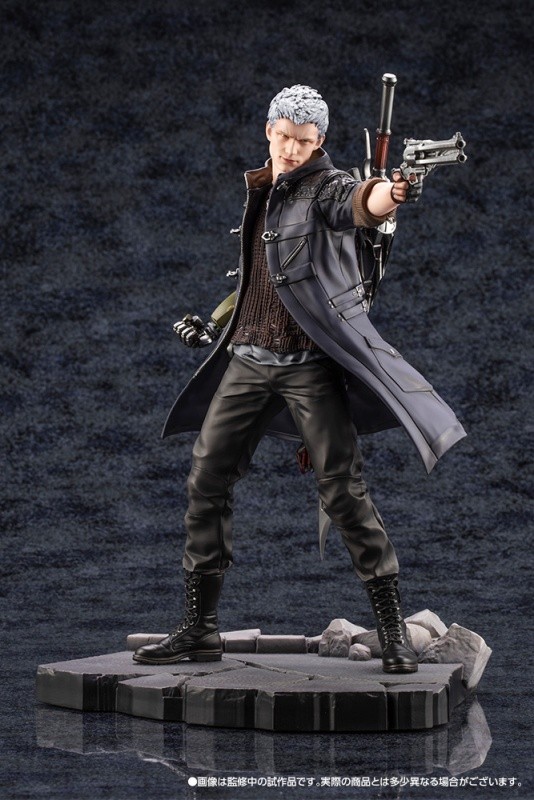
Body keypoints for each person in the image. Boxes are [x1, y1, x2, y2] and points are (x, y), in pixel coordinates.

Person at [133, 85, 466, 674]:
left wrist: (391, 192)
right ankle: (200, 627)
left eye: (303, 141)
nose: (291, 149)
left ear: (320, 142)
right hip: (248, 359)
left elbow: (359, 203)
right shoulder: (263, 187)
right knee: (206, 479)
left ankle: (392, 629)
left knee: (343, 492)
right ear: (269, 130)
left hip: (309, 366)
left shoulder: (325, 187)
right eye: (284, 136)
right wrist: (215, 323)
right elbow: (259, 281)